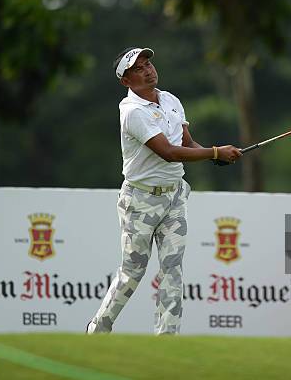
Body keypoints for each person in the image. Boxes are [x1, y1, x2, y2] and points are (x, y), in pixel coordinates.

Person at [87, 47, 242, 335]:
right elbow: (168, 153)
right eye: (138, 68)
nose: (148, 70)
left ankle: (167, 338)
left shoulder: (170, 100)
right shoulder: (132, 112)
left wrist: (217, 156)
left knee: (173, 269)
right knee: (132, 271)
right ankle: (98, 328)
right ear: (126, 81)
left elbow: (187, 143)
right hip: (140, 199)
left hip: (174, 196)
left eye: (148, 63)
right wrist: (215, 151)